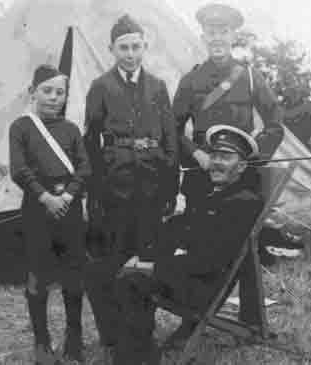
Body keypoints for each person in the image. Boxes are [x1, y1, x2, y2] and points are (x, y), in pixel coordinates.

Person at [113, 125, 264, 365]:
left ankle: (138, 357)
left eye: (225, 157)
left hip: (203, 286)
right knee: (111, 271)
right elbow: (176, 231)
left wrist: (153, 266)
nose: (216, 163)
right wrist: (146, 255)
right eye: (214, 156)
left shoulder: (242, 203)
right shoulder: (213, 194)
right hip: (188, 275)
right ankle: (132, 347)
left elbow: (210, 261)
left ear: (242, 166)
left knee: (131, 281)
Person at [83, 13, 178, 360]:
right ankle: (114, 336)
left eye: (136, 46)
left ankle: (143, 335)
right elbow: (91, 140)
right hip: (115, 188)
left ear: (145, 46)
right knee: (112, 261)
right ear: (111, 49)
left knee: (146, 262)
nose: (130, 54)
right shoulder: (101, 87)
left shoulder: (157, 86)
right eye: (123, 47)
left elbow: (169, 138)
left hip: (151, 188)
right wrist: (95, 194)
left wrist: (171, 187)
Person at [9, 64, 91, 364]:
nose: (53, 98)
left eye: (59, 92)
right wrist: (45, 197)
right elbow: (19, 169)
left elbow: (85, 167)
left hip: (69, 209)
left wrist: (68, 195)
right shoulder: (21, 127)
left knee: (73, 276)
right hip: (36, 209)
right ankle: (42, 343)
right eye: (47, 91)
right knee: (38, 277)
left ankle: (74, 340)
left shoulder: (70, 130)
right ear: (33, 93)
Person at [173, 2, 284, 205]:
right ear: (203, 38)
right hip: (202, 171)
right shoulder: (190, 80)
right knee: (197, 232)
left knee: (238, 232)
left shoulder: (250, 76)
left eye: (223, 32)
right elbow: (172, 129)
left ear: (233, 37)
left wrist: (249, 158)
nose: (217, 39)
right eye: (211, 33)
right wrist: (197, 154)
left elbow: (275, 124)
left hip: (241, 178)